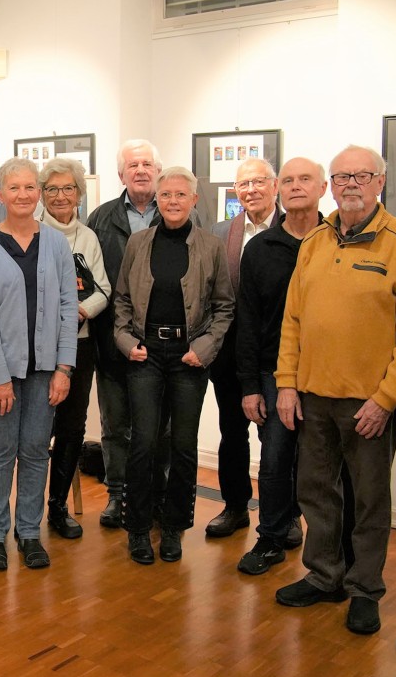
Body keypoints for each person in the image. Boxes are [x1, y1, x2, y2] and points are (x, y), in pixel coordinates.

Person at [274, 145, 396, 636]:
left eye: (361, 176)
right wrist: (286, 384)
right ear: (330, 186)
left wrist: (387, 399)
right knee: (316, 492)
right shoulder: (314, 242)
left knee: (369, 501)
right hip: (312, 397)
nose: (350, 185)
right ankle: (324, 576)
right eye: (341, 177)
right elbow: (292, 320)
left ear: (381, 182)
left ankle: (365, 589)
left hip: (368, 404)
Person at [114, 167, 233, 564]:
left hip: (189, 359)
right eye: (166, 195)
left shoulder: (211, 246)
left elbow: (223, 307)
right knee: (143, 443)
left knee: (183, 446)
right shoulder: (138, 242)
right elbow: (122, 301)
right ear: (157, 201)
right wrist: (127, 342)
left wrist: (205, 346)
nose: (173, 202)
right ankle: (137, 527)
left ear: (194, 200)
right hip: (145, 356)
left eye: (181, 195)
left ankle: (173, 527)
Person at [0, 158, 77, 571]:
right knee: (0, 452)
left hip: (46, 370)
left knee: (35, 451)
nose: (23, 195)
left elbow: (70, 306)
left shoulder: (55, 243)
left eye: (30, 187)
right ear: (1, 195)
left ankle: (29, 532)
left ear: (39, 193)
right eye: (14, 188)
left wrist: (64, 369)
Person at [234, 157, 325, 574]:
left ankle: (328, 555)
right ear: (278, 190)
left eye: (304, 179)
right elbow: (248, 321)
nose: (295, 187)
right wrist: (250, 385)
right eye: (288, 181)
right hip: (273, 373)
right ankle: (271, 537)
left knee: (322, 467)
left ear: (322, 186)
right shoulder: (260, 249)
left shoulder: (335, 243)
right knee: (273, 460)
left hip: (326, 374)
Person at [86, 139, 163, 529]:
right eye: (133, 165)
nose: (141, 171)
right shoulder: (100, 219)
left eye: (147, 164)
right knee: (116, 424)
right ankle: (118, 495)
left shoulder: (178, 213)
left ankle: (155, 495)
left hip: (164, 342)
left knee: (158, 426)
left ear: (158, 170)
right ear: (121, 175)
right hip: (113, 338)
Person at [207, 158, 281, 539]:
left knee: (278, 440)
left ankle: (281, 517)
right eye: (243, 184)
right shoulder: (221, 230)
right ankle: (235, 507)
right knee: (231, 432)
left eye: (257, 182)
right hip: (229, 353)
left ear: (275, 185)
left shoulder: (295, 229)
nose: (250, 190)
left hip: (275, 355)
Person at [38, 157, 110, 539]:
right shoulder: (31, 233)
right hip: (37, 349)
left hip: (80, 347)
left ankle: (58, 507)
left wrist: (79, 310)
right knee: (35, 430)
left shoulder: (88, 237)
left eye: (68, 189)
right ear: (42, 194)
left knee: (71, 429)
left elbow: (103, 289)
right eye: (52, 189)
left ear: (79, 194)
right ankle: (29, 510)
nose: (61, 196)